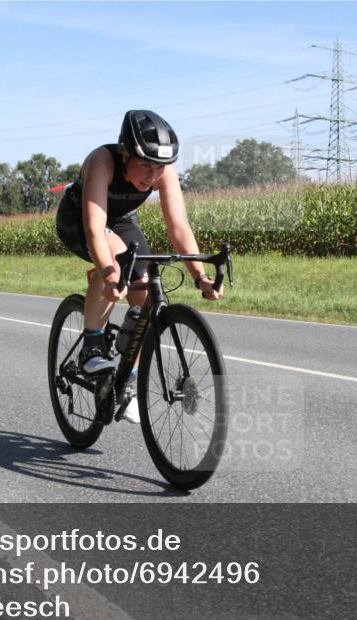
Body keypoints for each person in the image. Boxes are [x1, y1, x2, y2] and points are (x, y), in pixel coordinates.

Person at [56, 110, 223, 424]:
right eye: (145, 164)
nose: (152, 175)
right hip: (80, 220)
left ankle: (128, 380)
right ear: (124, 154)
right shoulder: (102, 161)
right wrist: (108, 274)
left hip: (122, 222)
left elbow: (179, 229)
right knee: (118, 264)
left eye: (159, 167)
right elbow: (95, 229)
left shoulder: (164, 173)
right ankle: (91, 347)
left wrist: (200, 276)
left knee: (144, 289)